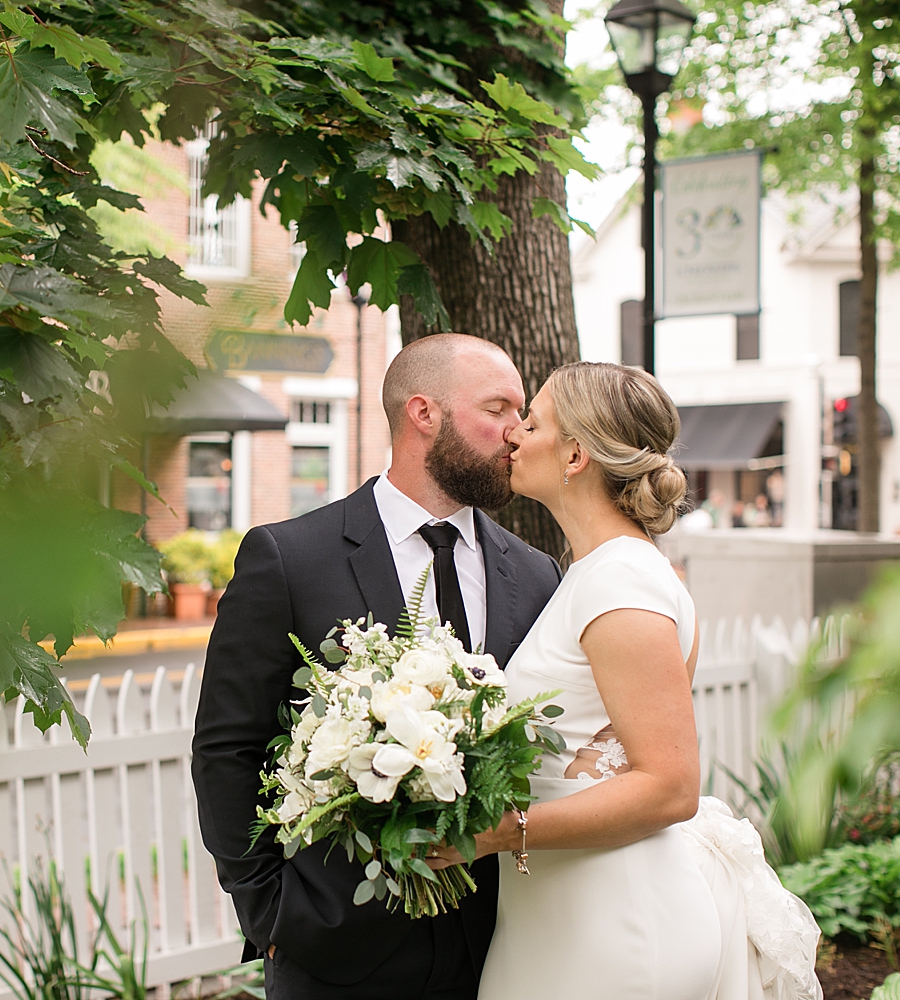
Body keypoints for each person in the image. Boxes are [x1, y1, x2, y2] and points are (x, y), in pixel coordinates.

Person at [428, 361, 820, 1000]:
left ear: (576, 453)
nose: (513, 437)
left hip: (616, 921)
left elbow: (670, 787)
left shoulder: (621, 583)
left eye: (530, 423)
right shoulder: (592, 573)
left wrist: (501, 831)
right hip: (560, 910)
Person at [191, 334, 562, 1000]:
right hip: (336, 946)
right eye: (500, 408)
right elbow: (227, 747)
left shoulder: (537, 576)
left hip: (506, 948)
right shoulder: (290, 559)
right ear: (424, 413)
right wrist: (270, 913)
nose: (518, 432)